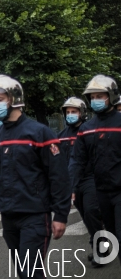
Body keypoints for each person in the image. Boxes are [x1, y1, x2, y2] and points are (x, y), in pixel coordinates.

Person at [0, 74, 70, 279]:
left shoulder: (39, 133)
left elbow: (58, 176)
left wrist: (60, 215)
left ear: (14, 99)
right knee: (24, 272)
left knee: (31, 272)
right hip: (8, 215)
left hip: (35, 215)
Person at [70, 74, 121, 264]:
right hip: (102, 191)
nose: (96, 100)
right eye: (92, 97)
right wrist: (72, 188)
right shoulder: (87, 129)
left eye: (100, 96)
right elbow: (77, 160)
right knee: (114, 237)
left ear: (111, 96)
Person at [59, 97, 103, 267]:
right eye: (68, 112)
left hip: (91, 178)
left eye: (74, 111)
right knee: (86, 216)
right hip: (72, 182)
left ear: (82, 113)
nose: (70, 115)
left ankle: (101, 250)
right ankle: (100, 244)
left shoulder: (90, 132)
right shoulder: (61, 137)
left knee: (92, 211)